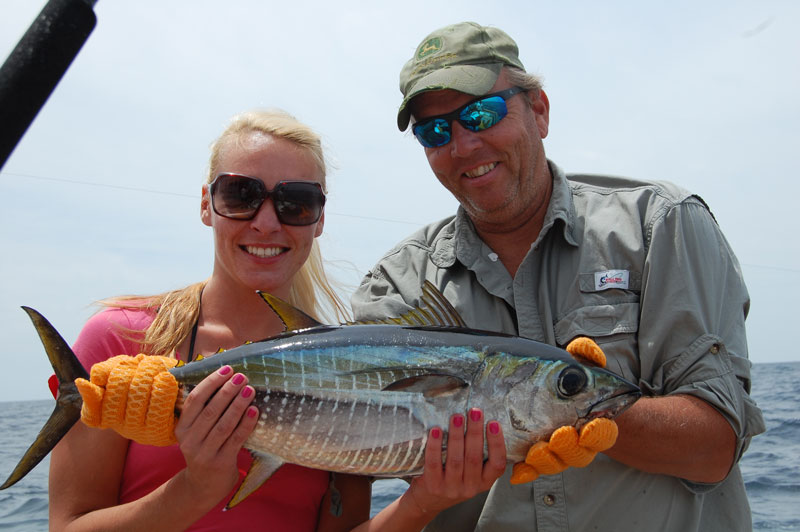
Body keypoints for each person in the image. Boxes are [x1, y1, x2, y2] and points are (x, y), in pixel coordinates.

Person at [350, 22, 766, 532]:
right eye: (434, 131)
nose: (462, 145)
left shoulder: (661, 226)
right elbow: (364, 454)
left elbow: (716, 446)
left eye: (482, 113)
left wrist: (583, 410)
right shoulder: (396, 285)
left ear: (539, 111)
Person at [49, 109, 513, 531]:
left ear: (320, 219)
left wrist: (423, 503)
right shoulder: (121, 340)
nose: (267, 222)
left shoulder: (350, 359)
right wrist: (195, 491)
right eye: (240, 194)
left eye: (296, 202)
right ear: (207, 205)